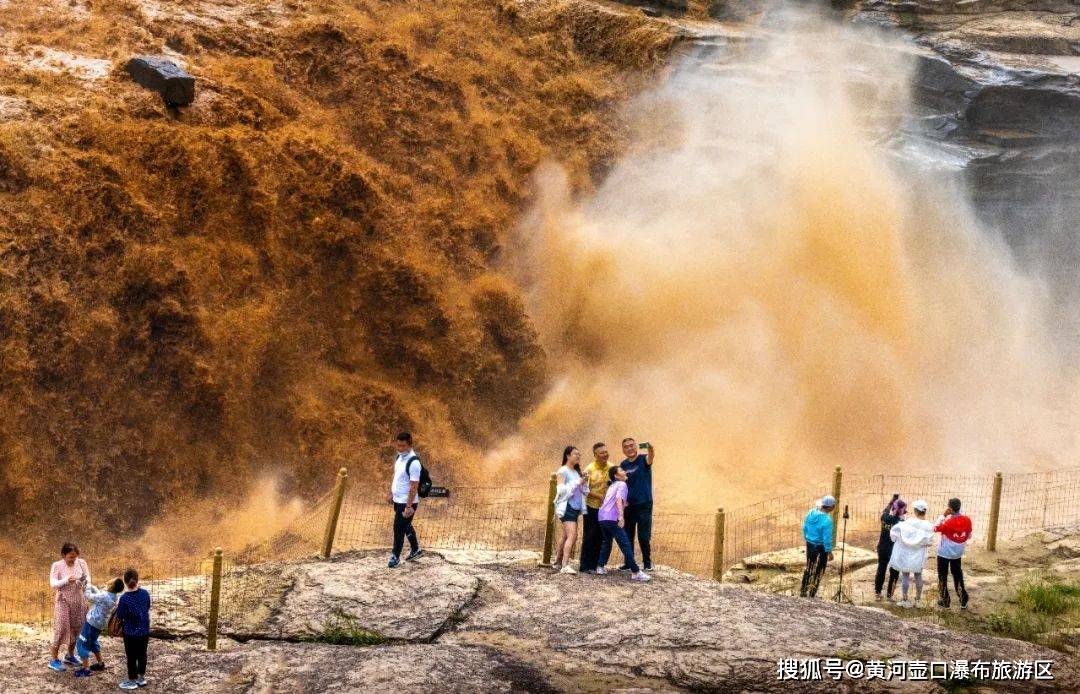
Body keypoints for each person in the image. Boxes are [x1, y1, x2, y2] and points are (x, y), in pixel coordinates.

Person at [596, 466, 650, 582]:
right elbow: (618, 500)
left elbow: (612, 500)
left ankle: (600, 567)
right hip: (611, 518)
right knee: (625, 544)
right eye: (621, 470)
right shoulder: (622, 484)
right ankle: (635, 572)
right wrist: (621, 516)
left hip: (602, 517)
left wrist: (626, 504)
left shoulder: (612, 486)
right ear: (616, 475)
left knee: (607, 542)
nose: (624, 471)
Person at [47, 542, 90, 672]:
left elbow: (88, 579)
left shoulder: (81, 563)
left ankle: (70, 655)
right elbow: (53, 584)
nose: (73, 559)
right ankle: (54, 660)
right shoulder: (57, 565)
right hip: (63, 601)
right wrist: (66, 580)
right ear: (63, 555)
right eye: (70, 557)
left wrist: (83, 583)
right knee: (60, 629)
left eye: (75, 557)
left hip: (78, 601)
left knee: (76, 629)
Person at [72, 577, 125, 678]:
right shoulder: (113, 597)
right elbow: (99, 594)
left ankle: (86, 669)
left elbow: (89, 597)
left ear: (111, 585)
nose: (110, 580)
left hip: (91, 623)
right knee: (93, 642)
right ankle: (100, 664)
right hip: (99, 625)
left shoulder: (104, 596)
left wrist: (86, 587)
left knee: (81, 644)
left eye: (112, 580)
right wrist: (91, 585)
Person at [387, 431, 424, 569]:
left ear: (410, 444)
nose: (400, 448)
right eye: (398, 445)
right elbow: (397, 477)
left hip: (407, 502)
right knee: (406, 525)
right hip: (398, 499)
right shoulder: (399, 457)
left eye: (403, 446)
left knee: (398, 528)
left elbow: (414, 487)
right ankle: (416, 550)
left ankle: (395, 557)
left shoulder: (414, 463)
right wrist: (391, 493)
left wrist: (409, 507)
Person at [889, 499, 935, 608]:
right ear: (925, 511)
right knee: (918, 575)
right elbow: (929, 542)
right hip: (919, 555)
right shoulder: (928, 525)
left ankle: (905, 599)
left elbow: (894, 532)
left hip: (906, 554)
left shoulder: (908, 522)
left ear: (915, 511)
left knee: (905, 575)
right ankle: (918, 600)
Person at [619, 437, 655, 571]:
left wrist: (650, 448)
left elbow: (651, 457)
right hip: (628, 506)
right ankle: (629, 562)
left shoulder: (643, 459)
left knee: (643, 536)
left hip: (644, 504)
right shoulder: (623, 465)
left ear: (636, 447)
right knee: (628, 535)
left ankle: (647, 563)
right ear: (623, 450)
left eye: (632, 445)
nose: (629, 448)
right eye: (626, 447)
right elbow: (621, 484)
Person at [552, 445, 588, 574]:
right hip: (567, 507)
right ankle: (565, 565)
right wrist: (577, 482)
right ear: (567, 456)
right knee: (573, 535)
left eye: (579, 454)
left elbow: (583, 490)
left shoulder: (577, 472)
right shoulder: (563, 471)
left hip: (575, 508)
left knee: (566, 535)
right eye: (575, 454)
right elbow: (560, 490)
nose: (578, 456)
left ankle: (557, 562)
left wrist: (584, 481)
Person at [579, 442, 613, 574]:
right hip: (592, 507)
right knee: (590, 535)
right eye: (601, 453)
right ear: (595, 455)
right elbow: (584, 489)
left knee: (602, 536)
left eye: (606, 452)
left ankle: (598, 565)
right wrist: (599, 496)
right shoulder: (589, 469)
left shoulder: (612, 467)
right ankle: (586, 566)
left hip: (606, 509)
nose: (605, 454)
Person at [115, 567, 150, 690]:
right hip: (144, 631)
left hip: (130, 633)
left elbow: (120, 615)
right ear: (137, 579)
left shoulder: (124, 598)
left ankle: (132, 680)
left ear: (125, 582)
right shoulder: (145, 593)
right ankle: (141, 678)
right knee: (142, 654)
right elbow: (147, 606)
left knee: (131, 656)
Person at [935, 497, 972, 609]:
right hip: (958, 553)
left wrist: (943, 516)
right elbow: (969, 535)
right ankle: (963, 599)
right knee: (957, 574)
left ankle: (945, 600)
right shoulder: (967, 520)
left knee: (943, 576)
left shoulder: (947, 522)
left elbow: (935, 528)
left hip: (944, 553)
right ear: (959, 507)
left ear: (949, 508)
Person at [800, 495, 835, 598]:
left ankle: (803, 590)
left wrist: (807, 538)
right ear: (830, 507)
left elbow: (804, 527)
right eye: (834, 505)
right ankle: (812, 593)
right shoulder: (827, 520)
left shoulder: (811, 512)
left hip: (810, 544)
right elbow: (827, 538)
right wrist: (829, 551)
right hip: (821, 547)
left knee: (809, 567)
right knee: (819, 569)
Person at [874, 495, 905, 602]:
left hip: (882, 547)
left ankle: (877, 593)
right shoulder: (901, 523)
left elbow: (886, 510)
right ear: (902, 511)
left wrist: (892, 501)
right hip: (894, 550)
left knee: (881, 569)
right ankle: (889, 595)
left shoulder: (884, 517)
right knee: (894, 572)